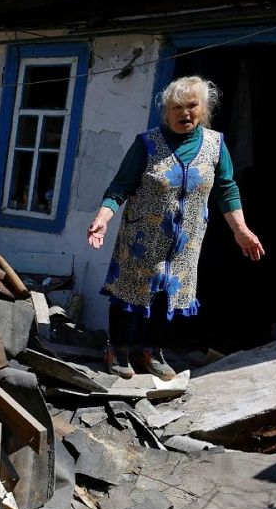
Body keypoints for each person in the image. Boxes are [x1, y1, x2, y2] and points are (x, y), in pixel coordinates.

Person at [85, 76, 265, 380]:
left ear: (204, 108)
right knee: (130, 295)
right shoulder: (147, 143)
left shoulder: (215, 145)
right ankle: (118, 349)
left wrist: (241, 229)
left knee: (169, 295)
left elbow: (225, 189)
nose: (185, 113)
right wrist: (102, 219)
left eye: (192, 106)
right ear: (166, 111)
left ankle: (150, 351)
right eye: (177, 107)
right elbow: (120, 187)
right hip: (141, 239)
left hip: (185, 243)